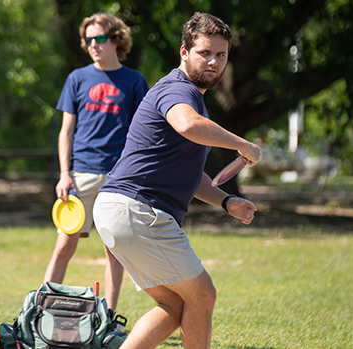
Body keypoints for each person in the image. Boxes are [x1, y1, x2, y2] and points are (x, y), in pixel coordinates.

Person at [92, 13, 261, 349]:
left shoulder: (189, 96)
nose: (213, 61)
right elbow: (186, 124)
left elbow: (189, 175)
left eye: (221, 55)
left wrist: (226, 201)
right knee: (203, 295)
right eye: (204, 53)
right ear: (184, 52)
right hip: (138, 210)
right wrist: (242, 144)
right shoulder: (178, 89)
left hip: (117, 210)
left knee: (174, 304)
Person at [44, 12, 148, 313]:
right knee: (64, 245)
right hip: (80, 175)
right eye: (88, 39)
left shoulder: (134, 80)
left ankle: (108, 317)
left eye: (99, 38)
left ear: (116, 39)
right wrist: (64, 174)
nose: (92, 44)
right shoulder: (77, 78)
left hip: (119, 178)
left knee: (114, 251)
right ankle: (40, 309)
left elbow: (143, 131)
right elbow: (66, 131)